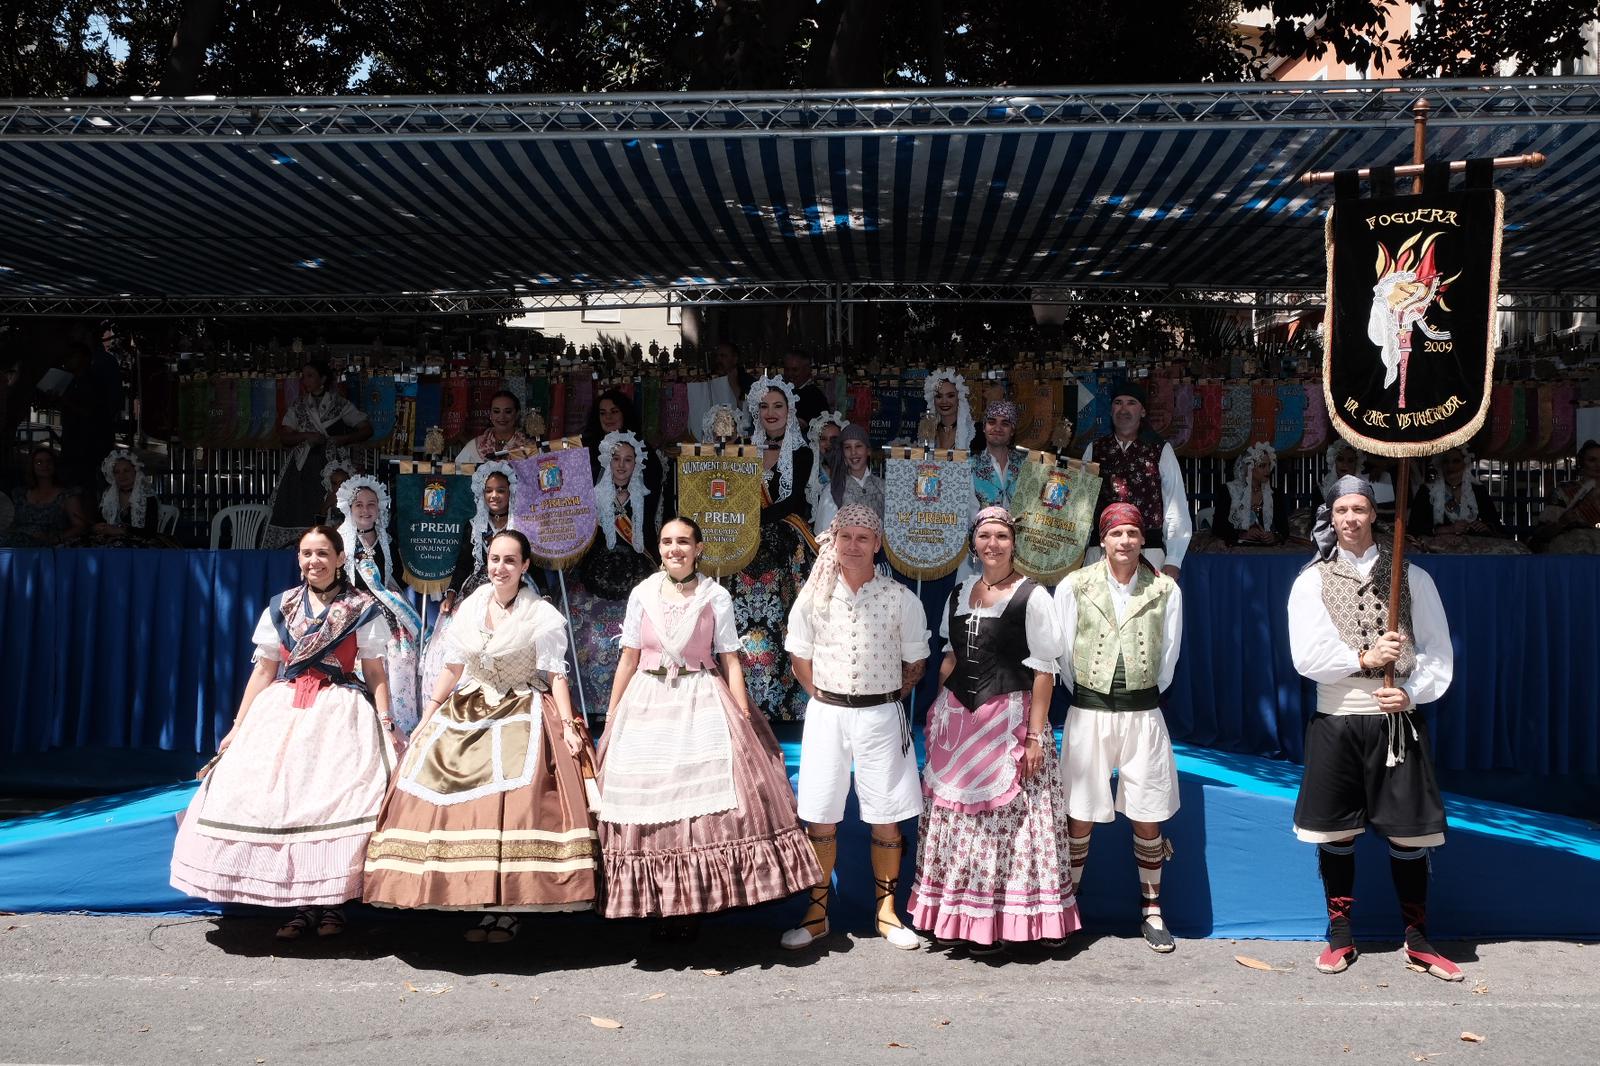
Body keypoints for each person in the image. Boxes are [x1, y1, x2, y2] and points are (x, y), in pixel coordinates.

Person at [364, 529, 601, 940]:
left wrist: (566, 725)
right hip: (469, 707)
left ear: (525, 566)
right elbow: (454, 667)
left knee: (513, 803)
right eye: (495, 559)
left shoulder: (539, 614)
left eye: (510, 560)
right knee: (439, 787)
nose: (500, 567)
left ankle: (509, 908)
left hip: (522, 705)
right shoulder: (472, 606)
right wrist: (429, 715)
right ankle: (475, 901)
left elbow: (554, 673)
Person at [170, 525, 401, 940]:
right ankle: (297, 907)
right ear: (299, 559)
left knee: (331, 803)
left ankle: (333, 905)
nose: (314, 561)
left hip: (338, 710)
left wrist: (386, 720)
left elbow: (375, 671)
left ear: (340, 558)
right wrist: (238, 727)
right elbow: (263, 671)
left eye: (323, 553)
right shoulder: (282, 606)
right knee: (280, 801)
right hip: (283, 708)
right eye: (307, 553)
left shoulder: (361, 607)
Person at [596, 517, 821, 936]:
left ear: (698, 548)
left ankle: (693, 905)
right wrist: (610, 718)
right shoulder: (642, 593)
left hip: (700, 695)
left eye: (683, 541)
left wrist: (741, 715)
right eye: (666, 542)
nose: (674, 549)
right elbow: (628, 657)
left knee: (700, 802)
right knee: (645, 803)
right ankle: (653, 904)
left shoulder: (715, 595)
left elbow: (730, 659)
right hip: (645, 700)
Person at [1287, 475, 1460, 981]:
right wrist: (1363, 656)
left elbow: (1438, 651)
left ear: (1374, 515)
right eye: (1341, 511)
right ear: (1331, 517)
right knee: (1336, 831)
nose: (1350, 519)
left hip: (1396, 719)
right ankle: (1340, 938)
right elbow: (1306, 656)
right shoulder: (1310, 580)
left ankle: (1418, 940)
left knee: (1410, 836)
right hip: (1338, 720)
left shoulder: (1413, 576)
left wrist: (1411, 692)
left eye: (1359, 509)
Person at [909, 506, 1080, 954]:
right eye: (985, 536)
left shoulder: (1032, 596)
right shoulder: (960, 592)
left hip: (1009, 721)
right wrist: (937, 709)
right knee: (960, 823)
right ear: (974, 543)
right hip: (960, 724)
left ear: (1013, 543)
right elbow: (950, 655)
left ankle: (1011, 922)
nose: (993, 544)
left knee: (1011, 824)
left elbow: (1045, 671)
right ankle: (963, 919)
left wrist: (1035, 737)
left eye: (1001, 536)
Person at [781, 504, 930, 951]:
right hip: (827, 715)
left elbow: (916, 663)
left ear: (877, 544)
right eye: (845, 536)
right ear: (835, 540)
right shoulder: (813, 595)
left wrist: (881, 700)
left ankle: (886, 912)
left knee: (885, 815)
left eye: (863, 537)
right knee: (821, 814)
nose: (853, 545)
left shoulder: (901, 598)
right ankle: (817, 913)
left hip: (881, 716)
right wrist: (825, 697)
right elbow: (798, 657)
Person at [1054, 502, 1184, 953]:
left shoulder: (1165, 589)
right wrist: (1089, 691)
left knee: (1147, 813)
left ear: (1142, 540)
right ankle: (1067, 906)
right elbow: (1064, 653)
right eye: (1116, 534)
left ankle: (1152, 908)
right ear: (1102, 541)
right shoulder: (1074, 586)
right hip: (1088, 711)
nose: (1125, 541)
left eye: (1132, 533)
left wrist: (1136, 694)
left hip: (1143, 713)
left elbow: (1168, 658)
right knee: (1080, 812)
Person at [733, 374, 818, 720]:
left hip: (787, 551)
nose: (771, 413)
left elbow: (793, 501)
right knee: (749, 625)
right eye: (764, 406)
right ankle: (750, 705)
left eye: (778, 406)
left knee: (786, 624)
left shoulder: (801, 452)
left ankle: (788, 707)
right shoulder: (742, 450)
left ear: (789, 410)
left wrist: (752, 516)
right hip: (747, 550)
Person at [567, 430, 659, 718]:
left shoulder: (646, 494)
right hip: (598, 572)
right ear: (607, 462)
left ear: (636, 464)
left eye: (628, 460)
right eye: (616, 459)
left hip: (637, 570)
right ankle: (594, 704)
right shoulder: (593, 496)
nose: (621, 465)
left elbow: (649, 535)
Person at [335, 477, 423, 734]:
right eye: (359, 505)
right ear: (349, 508)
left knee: (400, 662)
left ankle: (402, 726)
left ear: (380, 507)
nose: (365, 510)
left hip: (388, 614)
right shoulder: (340, 540)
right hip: (354, 613)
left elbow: (393, 578)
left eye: (371, 504)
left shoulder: (387, 539)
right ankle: (365, 728)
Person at [1083, 381, 1192, 578]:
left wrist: (1174, 559)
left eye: (1131, 403)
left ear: (1142, 411)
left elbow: (1175, 507)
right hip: (1101, 555)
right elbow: (1081, 506)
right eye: (1118, 402)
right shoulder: (1094, 450)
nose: (1123, 409)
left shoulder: (1160, 450)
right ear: (1110, 410)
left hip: (1148, 553)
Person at [262, 361, 373, 549]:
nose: (305, 380)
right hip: (301, 469)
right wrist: (306, 436)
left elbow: (366, 429)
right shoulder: (299, 406)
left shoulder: (339, 404)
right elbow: (285, 437)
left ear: (322, 379)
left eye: (310, 375)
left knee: (333, 506)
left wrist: (342, 439)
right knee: (297, 510)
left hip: (331, 467)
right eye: (303, 376)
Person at [1407, 447, 1520, 553]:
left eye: (1456, 461)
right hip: (1438, 550)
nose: (1450, 467)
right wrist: (1447, 529)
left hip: (1474, 549)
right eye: (1446, 462)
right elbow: (1414, 529)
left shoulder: (1478, 491)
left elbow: (1495, 524)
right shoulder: (1427, 491)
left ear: (1465, 463)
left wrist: (1486, 527)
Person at [3, 446, 87, 547]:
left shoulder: (67, 495)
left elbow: (80, 526)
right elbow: (8, 522)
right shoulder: (19, 494)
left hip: (50, 548)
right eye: (39, 462)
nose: (45, 465)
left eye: (49, 462)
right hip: (16, 547)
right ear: (32, 466)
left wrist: (57, 538)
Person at [812, 423, 885, 534]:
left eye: (858, 446)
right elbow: (823, 534)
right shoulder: (833, 490)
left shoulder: (883, 487)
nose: (853, 452)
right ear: (842, 453)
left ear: (868, 451)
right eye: (847, 447)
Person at [1215, 441, 1289, 547]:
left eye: (1269, 465)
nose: (1268, 470)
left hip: (1267, 551)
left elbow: (1284, 530)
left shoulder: (1274, 494)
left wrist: (1274, 536)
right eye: (1262, 466)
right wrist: (1242, 534)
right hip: (1237, 549)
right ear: (1249, 468)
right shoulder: (1229, 491)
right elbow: (1217, 528)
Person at [1532, 439, 1600, 554]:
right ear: (1581, 463)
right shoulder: (1564, 490)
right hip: (1573, 543)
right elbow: (1543, 533)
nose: (1598, 465)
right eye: (1592, 460)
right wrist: (1563, 522)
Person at [970, 399, 1024, 512]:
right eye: (992, 422)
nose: (997, 428)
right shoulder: (970, 465)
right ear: (984, 428)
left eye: (1005, 424)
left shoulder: (1025, 465)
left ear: (1012, 430)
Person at [455, 390, 535, 464]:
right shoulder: (475, 446)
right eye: (496, 411)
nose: (502, 417)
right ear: (490, 414)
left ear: (517, 414)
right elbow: (458, 474)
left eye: (508, 412)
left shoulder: (530, 448)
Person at [805, 410, 849, 514]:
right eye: (823, 439)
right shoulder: (808, 471)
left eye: (834, 439)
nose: (829, 443)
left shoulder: (851, 471)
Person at [924, 368, 974, 454]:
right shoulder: (927, 432)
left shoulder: (971, 433)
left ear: (959, 399)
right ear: (933, 400)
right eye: (939, 396)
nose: (944, 401)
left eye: (950, 396)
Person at [784, 349, 830, 428]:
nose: (789, 374)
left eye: (795, 370)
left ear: (807, 370)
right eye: (787, 370)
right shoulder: (781, 392)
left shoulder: (815, 396)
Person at [317, 459, 356, 529]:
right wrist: (325, 506)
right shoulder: (328, 498)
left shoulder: (355, 498)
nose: (339, 487)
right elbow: (318, 528)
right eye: (335, 483)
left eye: (342, 482)